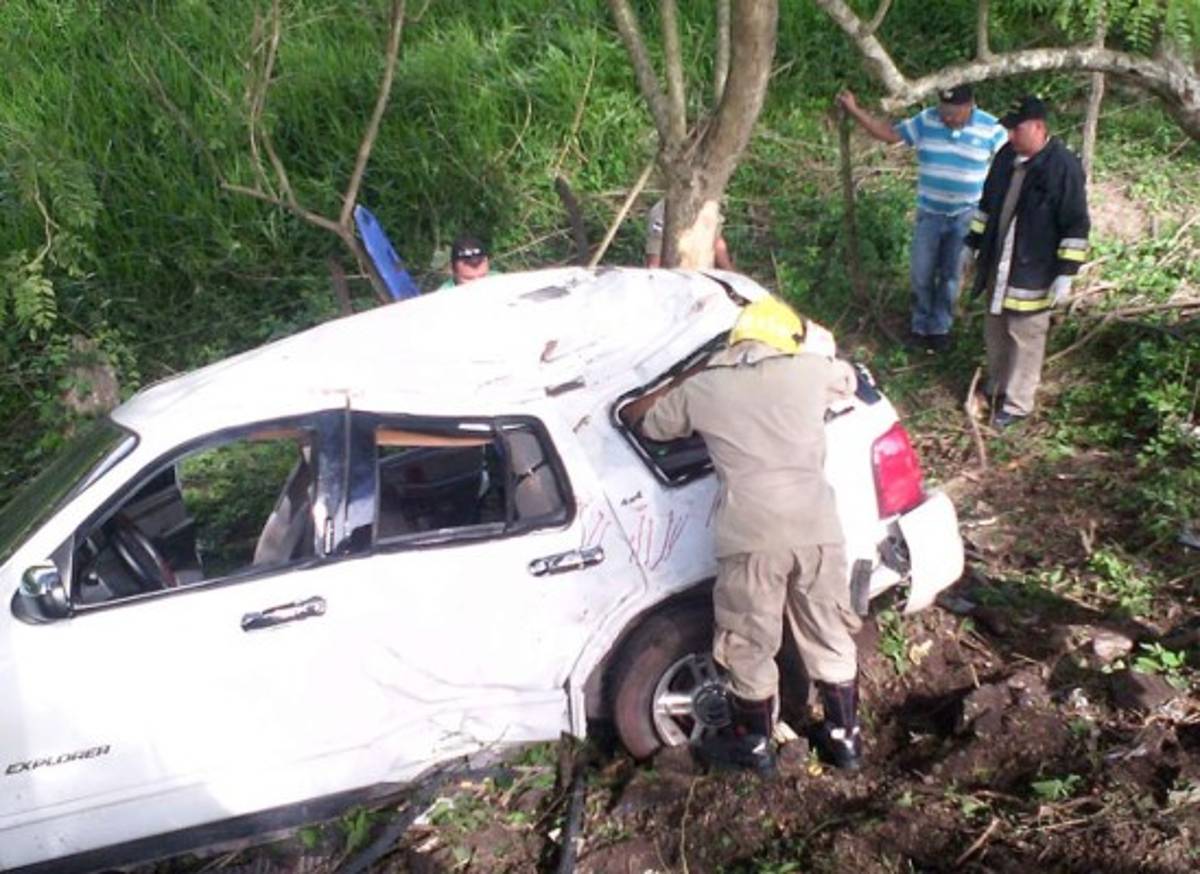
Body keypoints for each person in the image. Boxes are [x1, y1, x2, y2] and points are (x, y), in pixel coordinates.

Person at [620, 298, 863, 774]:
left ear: (735, 343)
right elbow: (850, 379)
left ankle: (754, 747)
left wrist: (687, 378)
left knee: (749, 640)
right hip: (818, 530)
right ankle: (845, 740)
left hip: (751, 536)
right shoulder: (811, 371)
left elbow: (647, 422)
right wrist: (812, 340)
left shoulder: (706, 388)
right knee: (829, 632)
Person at [837, 85, 1006, 352]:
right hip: (930, 212)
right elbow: (890, 134)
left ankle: (941, 327)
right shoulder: (926, 120)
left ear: (970, 105)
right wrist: (855, 110)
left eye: (954, 113)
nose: (947, 118)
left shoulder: (991, 128)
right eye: (944, 111)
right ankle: (920, 324)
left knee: (952, 273)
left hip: (966, 213)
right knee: (921, 271)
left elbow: (1012, 157)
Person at [964, 95, 1090, 429]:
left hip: (1034, 270)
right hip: (998, 265)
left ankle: (1017, 403)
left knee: (1026, 335)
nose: (1009, 136)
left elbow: (1076, 224)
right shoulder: (1006, 157)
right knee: (995, 330)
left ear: (1037, 127)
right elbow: (987, 205)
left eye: (1015, 129)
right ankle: (997, 386)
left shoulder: (1063, 167)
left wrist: (1066, 273)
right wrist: (972, 243)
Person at [644, 199, 735, 270]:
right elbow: (655, 254)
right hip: (673, 276)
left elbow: (717, 242)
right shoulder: (662, 211)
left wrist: (730, 275)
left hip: (703, 275)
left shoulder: (709, 207)